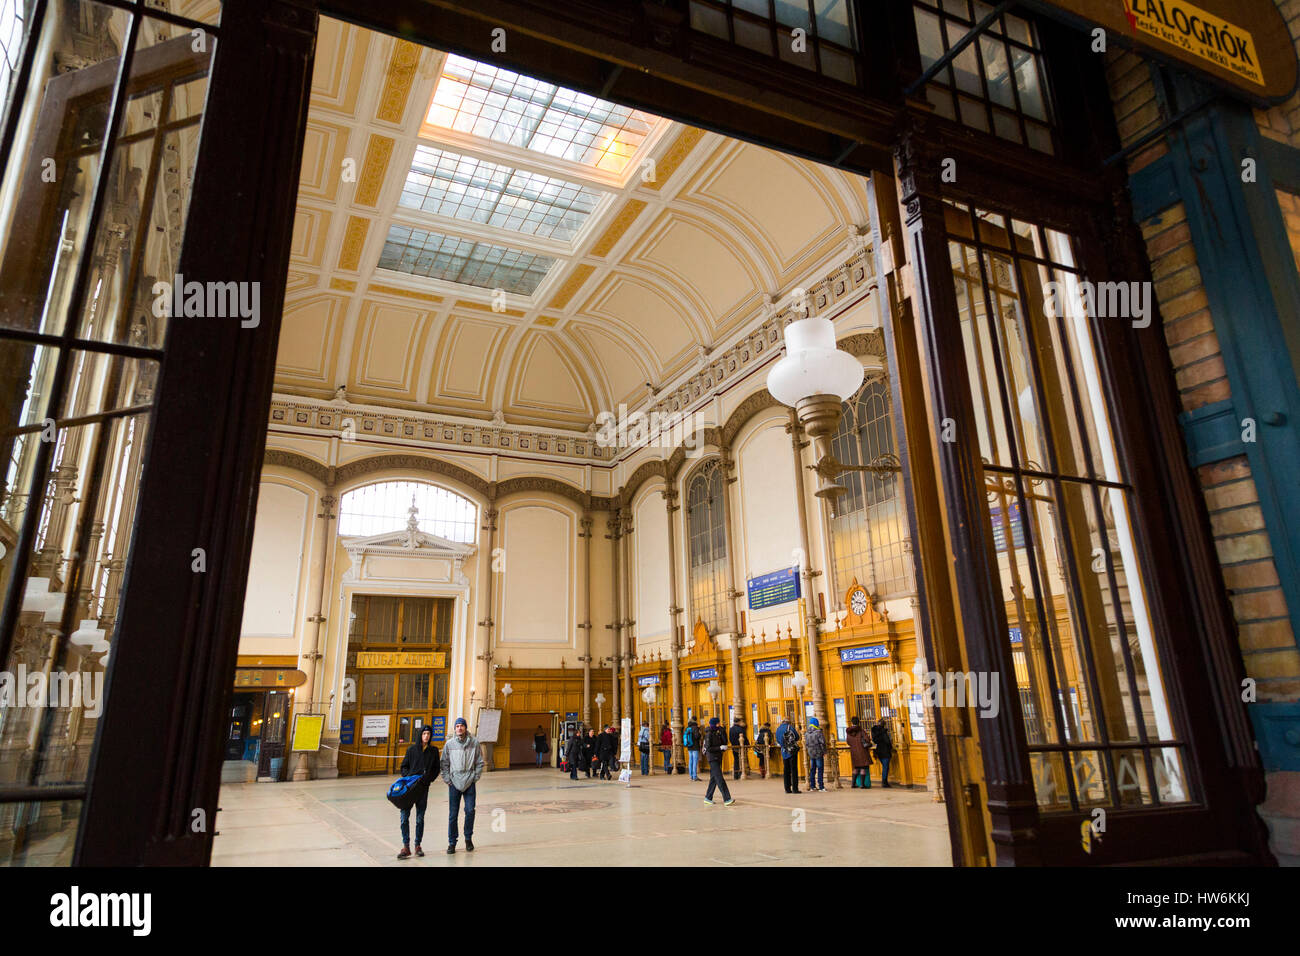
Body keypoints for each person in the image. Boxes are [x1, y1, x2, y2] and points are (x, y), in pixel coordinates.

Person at [440, 716, 484, 854]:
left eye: (462, 725)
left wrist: (475, 777)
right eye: (457, 726)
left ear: (465, 728)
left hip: (469, 781)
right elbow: (444, 764)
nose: (459, 728)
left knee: (470, 811)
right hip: (454, 782)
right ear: (455, 729)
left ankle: (468, 838)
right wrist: (448, 780)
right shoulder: (449, 744)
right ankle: (452, 842)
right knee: (453, 814)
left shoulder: (474, 743)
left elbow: (479, 762)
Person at [396, 725, 439, 859]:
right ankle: (406, 846)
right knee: (404, 818)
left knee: (420, 819)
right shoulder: (411, 750)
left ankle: (417, 845)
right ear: (420, 735)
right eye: (424, 733)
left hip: (422, 789)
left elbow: (436, 769)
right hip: (409, 789)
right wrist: (409, 777)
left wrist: (427, 780)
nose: (426, 736)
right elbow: (404, 767)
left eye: (428, 734)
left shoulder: (433, 751)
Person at [701, 717, 735, 806]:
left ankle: (708, 797)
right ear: (714, 724)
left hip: (718, 757)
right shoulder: (709, 734)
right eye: (717, 723)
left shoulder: (718, 732)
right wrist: (719, 748)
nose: (719, 724)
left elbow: (725, 741)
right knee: (719, 778)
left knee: (714, 778)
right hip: (712, 758)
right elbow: (708, 748)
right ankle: (727, 799)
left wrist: (723, 732)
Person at [774, 715, 801, 794]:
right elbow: (797, 737)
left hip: (783, 751)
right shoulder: (790, 727)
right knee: (794, 770)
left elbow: (778, 740)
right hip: (792, 751)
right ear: (789, 722)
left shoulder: (778, 729)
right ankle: (795, 789)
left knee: (786, 770)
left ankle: (787, 788)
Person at [845, 715, 873, 789]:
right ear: (858, 722)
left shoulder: (849, 731)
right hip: (862, 751)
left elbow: (848, 742)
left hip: (853, 752)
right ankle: (862, 785)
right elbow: (867, 739)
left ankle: (853, 784)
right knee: (863, 768)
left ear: (852, 722)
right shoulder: (861, 730)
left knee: (856, 768)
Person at [804, 717, 827, 792]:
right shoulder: (818, 732)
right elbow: (822, 743)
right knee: (820, 769)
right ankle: (821, 786)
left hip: (811, 753)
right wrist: (824, 752)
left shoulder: (806, 732)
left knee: (812, 769)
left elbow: (806, 743)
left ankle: (812, 786)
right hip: (818, 752)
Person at [871, 717, 894, 788]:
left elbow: (875, 740)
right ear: (884, 725)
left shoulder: (874, 732)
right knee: (885, 767)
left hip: (879, 750)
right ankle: (884, 782)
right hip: (885, 751)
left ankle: (884, 781)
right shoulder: (883, 732)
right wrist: (890, 747)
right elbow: (887, 741)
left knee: (884, 766)